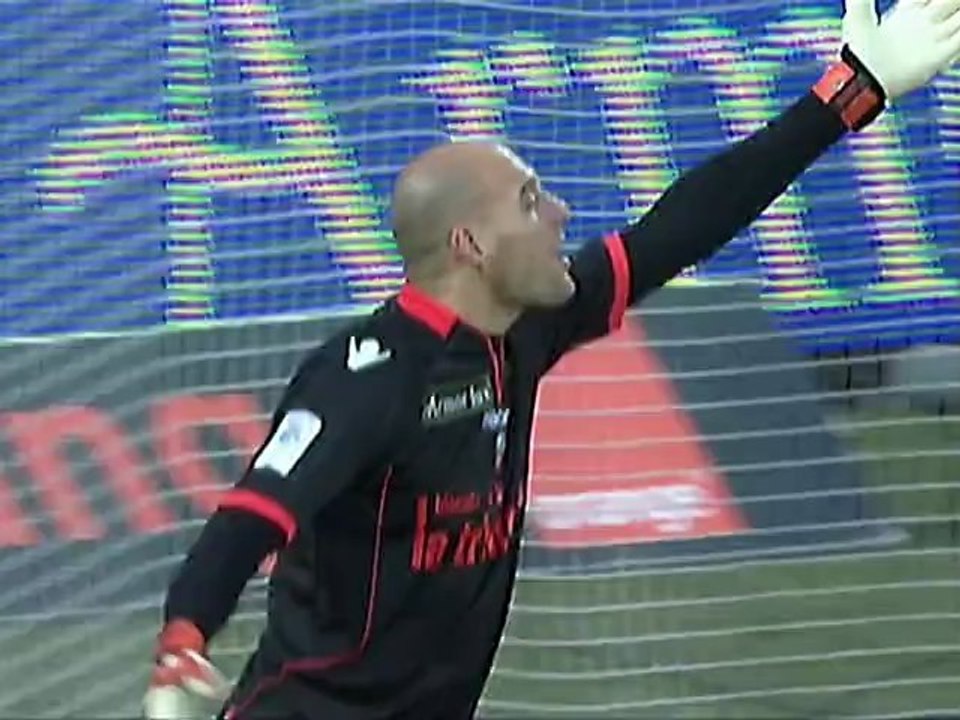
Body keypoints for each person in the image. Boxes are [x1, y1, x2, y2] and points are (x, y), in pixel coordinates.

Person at [143, 1, 960, 718]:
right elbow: (253, 514)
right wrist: (184, 637)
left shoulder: (528, 326)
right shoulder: (368, 376)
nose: (561, 214)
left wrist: (849, 95)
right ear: (469, 245)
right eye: (531, 202)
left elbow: (686, 223)